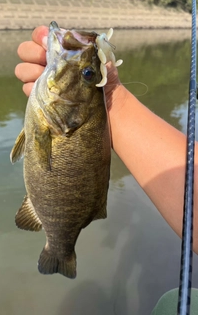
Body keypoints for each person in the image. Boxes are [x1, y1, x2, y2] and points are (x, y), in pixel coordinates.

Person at [14, 25, 198, 314]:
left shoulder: (59, 115)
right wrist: (108, 91)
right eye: (89, 74)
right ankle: (62, 249)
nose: (86, 71)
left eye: (88, 75)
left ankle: (60, 251)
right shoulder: (62, 113)